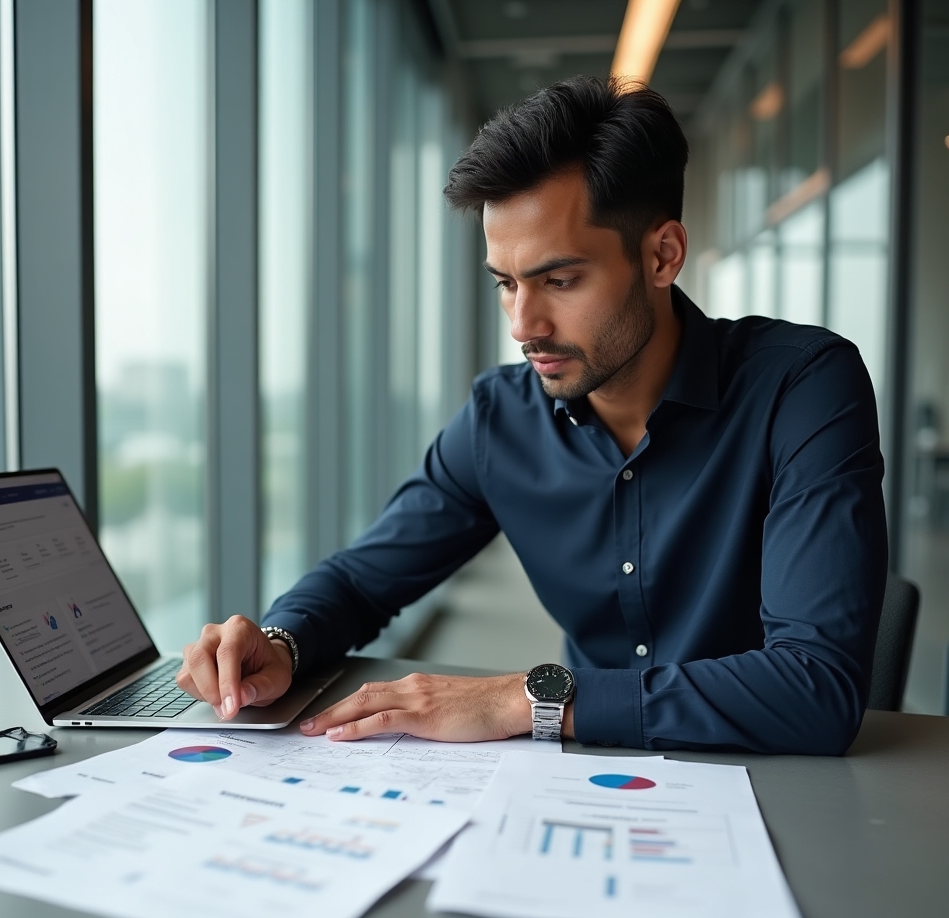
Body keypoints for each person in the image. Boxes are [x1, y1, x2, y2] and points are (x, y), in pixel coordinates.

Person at [177, 76, 888, 754]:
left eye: (560, 280)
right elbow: (364, 580)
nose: (524, 323)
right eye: (507, 284)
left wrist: (526, 699)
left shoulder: (802, 385)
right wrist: (281, 642)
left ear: (662, 255)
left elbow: (815, 689)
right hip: (584, 783)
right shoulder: (501, 417)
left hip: (776, 793)